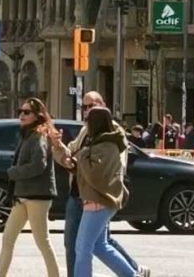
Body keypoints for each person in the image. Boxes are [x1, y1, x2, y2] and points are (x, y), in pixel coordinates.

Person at [51, 92, 148, 277]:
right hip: (80, 194)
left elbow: (103, 170)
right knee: (96, 245)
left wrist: (79, 158)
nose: (88, 112)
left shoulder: (111, 136)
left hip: (98, 197)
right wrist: (58, 146)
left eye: (92, 107)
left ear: (103, 106)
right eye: (85, 107)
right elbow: (71, 155)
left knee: (82, 247)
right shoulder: (87, 131)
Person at [0, 98, 60, 277]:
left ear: (38, 116)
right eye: (20, 112)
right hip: (22, 195)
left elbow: (39, 165)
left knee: (42, 242)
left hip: (37, 196)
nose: (22, 115)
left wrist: (14, 172)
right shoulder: (27, 134)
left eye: (26, 112)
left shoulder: (39, 136)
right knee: (8, 238)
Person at [73, 107, 137, 277]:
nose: (86, 125)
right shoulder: (103, 143)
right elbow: (86, 168)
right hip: (99, 200)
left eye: (88, 121)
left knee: (82, 248)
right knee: (100, 246)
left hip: (98, 201)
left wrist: (81, 155)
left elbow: (94, 174)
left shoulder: (106, 145)